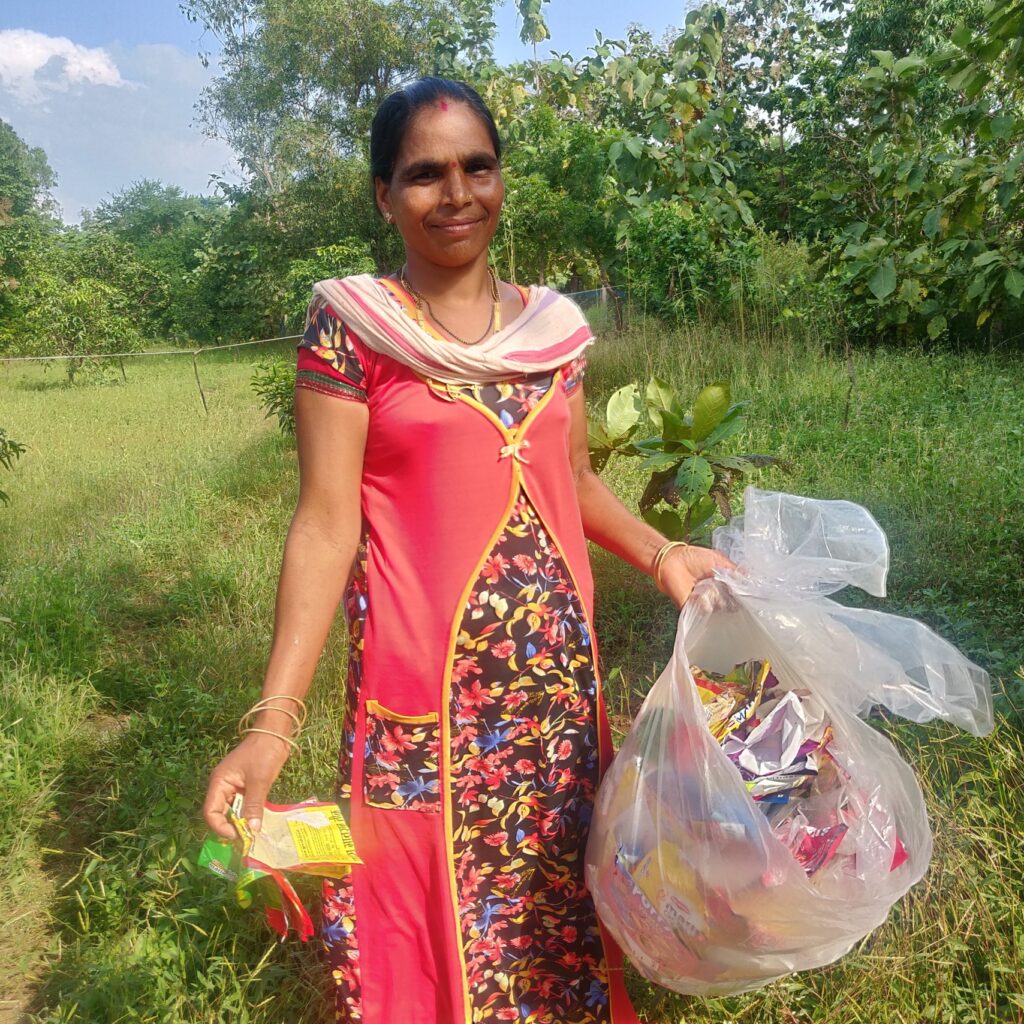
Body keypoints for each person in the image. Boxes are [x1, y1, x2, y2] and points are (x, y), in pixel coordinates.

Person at [203, 76, 733, 1024]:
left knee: (554, 925)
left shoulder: (555, 332)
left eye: (476, 166)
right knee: (423, 933)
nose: (456, 193)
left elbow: (573, 480)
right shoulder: (353, 327)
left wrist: (663, 555)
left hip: (553, 710)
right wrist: (271, 721)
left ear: (500, 178)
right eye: (424, 173)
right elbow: (326, 523)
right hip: (424, 711)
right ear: (382, 195)